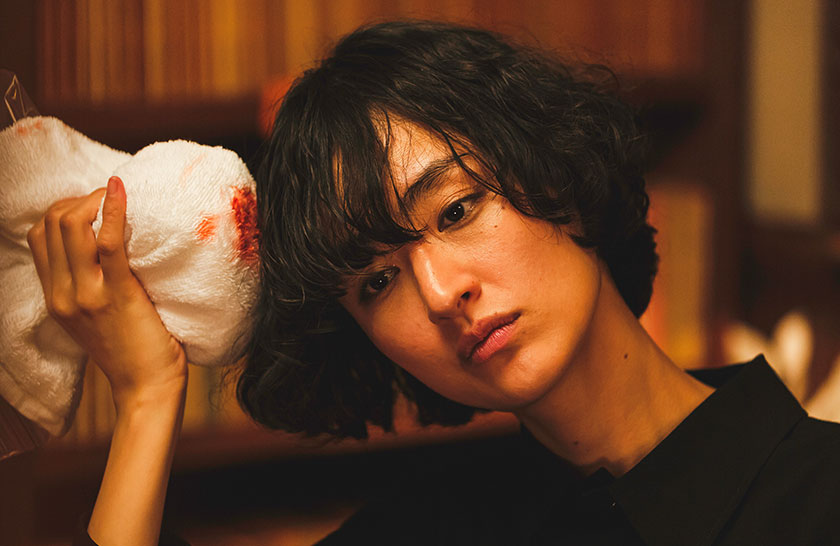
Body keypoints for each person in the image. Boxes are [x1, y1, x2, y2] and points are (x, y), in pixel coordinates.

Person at [29, 20, 839, 546]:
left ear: (557, 177)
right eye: (377, 282)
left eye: (456, 210)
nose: (442, 291)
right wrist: (146, 398)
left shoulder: (813, 493)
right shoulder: (427, 527)